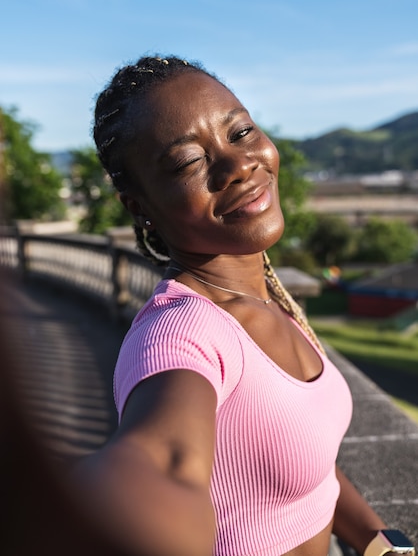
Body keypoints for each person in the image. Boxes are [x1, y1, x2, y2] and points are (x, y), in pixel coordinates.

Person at [76, 55, 414, 556]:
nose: (239, 165)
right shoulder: (179, 334)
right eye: (190, 161)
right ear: (140, 206)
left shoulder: (263, 297)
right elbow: (163, 461)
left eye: (240, 133)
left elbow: (306, 461)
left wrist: (381, 544)